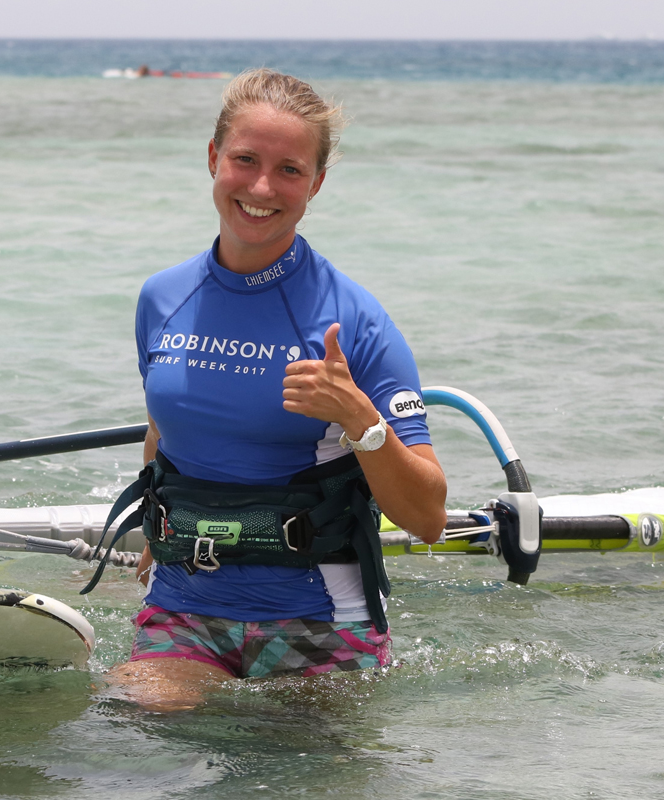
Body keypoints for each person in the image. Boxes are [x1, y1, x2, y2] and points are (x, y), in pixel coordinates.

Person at [107, 69, 447, 710]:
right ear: (213, 159)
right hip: (183, 618)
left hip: (322, 631)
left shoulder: (355, 321)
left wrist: (360, 420)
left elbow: (427, 518)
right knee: (127, 734)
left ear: (316, 184)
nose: (262, 187)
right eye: (245, 160)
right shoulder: (162, 299)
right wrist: (157, 538)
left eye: (289, 170)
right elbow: (164, 429)